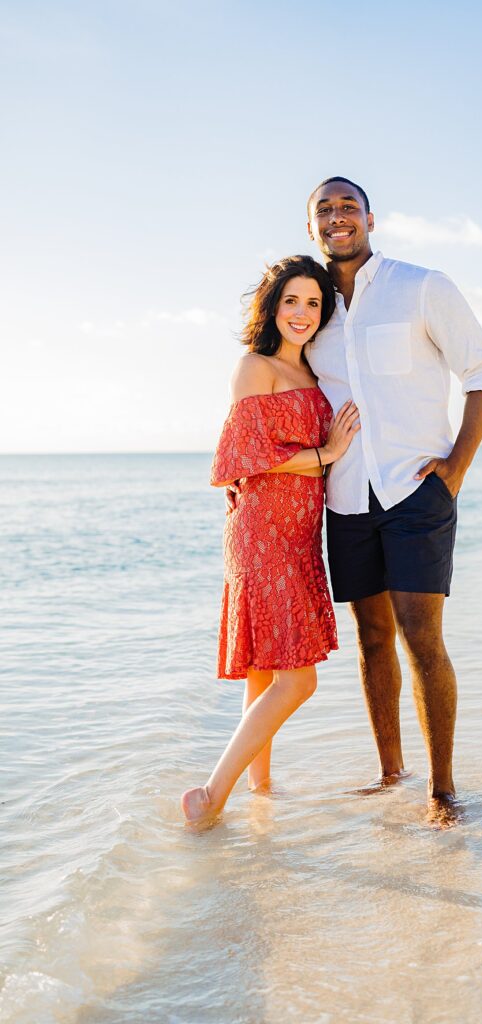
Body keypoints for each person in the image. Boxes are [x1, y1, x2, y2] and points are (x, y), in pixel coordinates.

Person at [305, 176, 482, 825]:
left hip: (416, 488)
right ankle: (390, 773)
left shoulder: (420, 284)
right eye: (323, 210)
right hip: (344, 495)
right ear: (312, 225)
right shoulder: (310, 307)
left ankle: (442, 790)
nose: (337, 218)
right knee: (369, 639)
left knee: (422, 639)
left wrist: (454, 468)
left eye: (346, 207)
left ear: (369, 216)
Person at [181, 254, 360, 825]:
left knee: (264, 667)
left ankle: (260, 793)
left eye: (313, 302)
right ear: (272, 306)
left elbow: (285, 462)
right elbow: (245, 459)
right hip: (262, 532)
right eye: (291, 301)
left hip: (301, 533)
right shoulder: (254, 367)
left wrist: (323, 464)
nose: (302, 313)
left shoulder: (315, 377)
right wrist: (326, 454)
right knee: (297, 680)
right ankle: (210, 796)